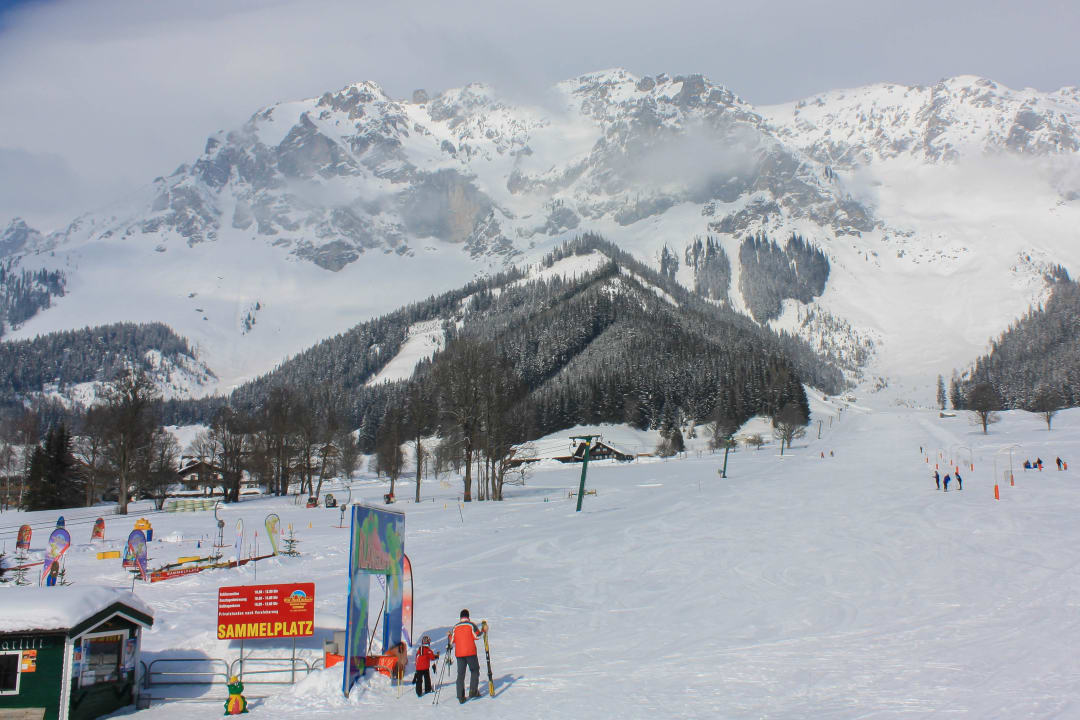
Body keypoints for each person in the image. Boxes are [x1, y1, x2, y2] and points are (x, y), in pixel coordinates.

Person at [448, 609, 487, 703]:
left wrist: (449, 635)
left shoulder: (455, 627)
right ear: (468, 616)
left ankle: (460, 696)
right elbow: (477, 636)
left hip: (459, 654)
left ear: (460, 617)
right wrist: (483, 630)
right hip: (470, 652)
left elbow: (452, 641)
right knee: (474, 670)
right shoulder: (471, 625)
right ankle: (473, 691)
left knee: (461, 674)